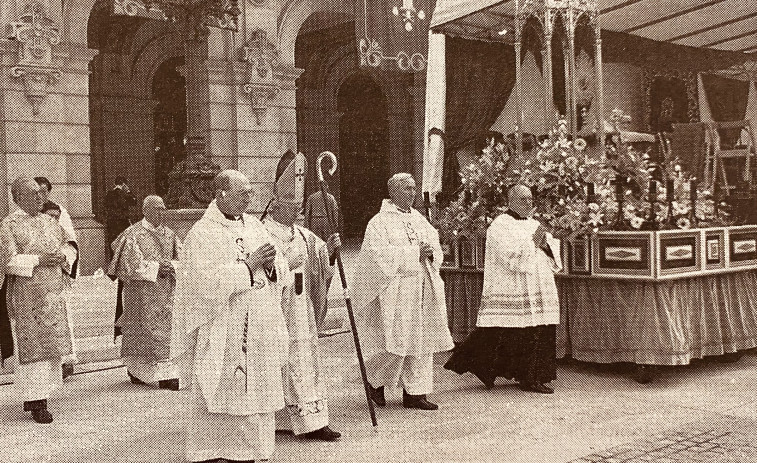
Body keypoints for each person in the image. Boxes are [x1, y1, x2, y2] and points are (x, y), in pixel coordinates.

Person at [171, 169, 289, 463]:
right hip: (226, 323)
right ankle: (211, 450)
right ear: (221, 194)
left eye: (250, 192)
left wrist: (274, 266)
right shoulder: (203, 233)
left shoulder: (254, 226)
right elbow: (203, 282)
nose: (249, 198)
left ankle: (252, 450)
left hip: (260, 319)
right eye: (242, 193)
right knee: (224, 385)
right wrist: (249, 267)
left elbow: (279, 266)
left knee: (256, 387)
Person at [444, 184, 561, 394]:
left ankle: (534, 375)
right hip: (514, 286)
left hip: (538, 284)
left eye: (531, 199)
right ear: (511, 201)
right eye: (524, 199)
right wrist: (532, 244)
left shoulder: (534, 223)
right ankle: (528, 378)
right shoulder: (500, 225)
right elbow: (509, 257)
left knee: (537, 330)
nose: (529, 203)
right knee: (517, 332)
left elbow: (550, 251)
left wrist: (545, 245)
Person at [351, 173, 454, 411]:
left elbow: (434, 245)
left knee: (422, 341)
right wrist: (411, 255)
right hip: (397, 292)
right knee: (396, 343)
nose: (413, 193)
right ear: (394, 192)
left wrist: (430, 253)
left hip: (422, 286)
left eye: (414, 188)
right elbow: (377, 256)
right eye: (408, 189)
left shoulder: (419, 218)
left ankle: (415, 393)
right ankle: (374, 381)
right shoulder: (379, 222)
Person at [263, 151, 341, 442]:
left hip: (301, 308)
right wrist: (284, 263)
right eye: (293, 206)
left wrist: (329, 251)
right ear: (276, 206)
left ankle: (313, 420)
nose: (298, 211)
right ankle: (282, 417)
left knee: (303, 358)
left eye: (299, 206)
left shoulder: (304, 234)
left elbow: (321, 262)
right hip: (275, 309)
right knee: (279, 360)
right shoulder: (262, 233)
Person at [0, 177, 78, 423]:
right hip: (27, 297)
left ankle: (42, 393)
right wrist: (37, 260)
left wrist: (64, 255)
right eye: (33, 194)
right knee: (33, 350)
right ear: (17, 198)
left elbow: (70, 245)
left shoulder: (49, 220)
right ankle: (36, 400)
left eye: (40, 193)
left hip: (53, 295)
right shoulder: (9, 225)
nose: (39, 198)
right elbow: (7, 261)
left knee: (50, 350)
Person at [107, 195, 180, 390]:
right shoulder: (132, 234)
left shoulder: (170, 234)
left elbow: (182, 258)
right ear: (145, 210)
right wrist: (157, 267)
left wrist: (172, 265)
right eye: (156, 208)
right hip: (140, 294)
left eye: (163, 208)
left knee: (166, 332)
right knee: (142, 333)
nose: (161, 212)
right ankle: (137, 370)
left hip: (166, 293)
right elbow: (127, 265)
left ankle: (167, 373)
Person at [36, 177, 79, 380]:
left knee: (62, 316)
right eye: (37, 191)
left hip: (55, 276)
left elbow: (70, 240)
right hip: (34, 279)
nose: (41, 196)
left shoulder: (59, 211)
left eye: (44, 192)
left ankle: (65, 360)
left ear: (49, 192)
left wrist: (64, 257)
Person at [105, 176, 137, 339]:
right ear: (123, 184)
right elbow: (133, 202)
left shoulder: (109, 195)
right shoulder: (120, 195)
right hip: (121, 229)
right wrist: (128, 192)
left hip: (114, 231)